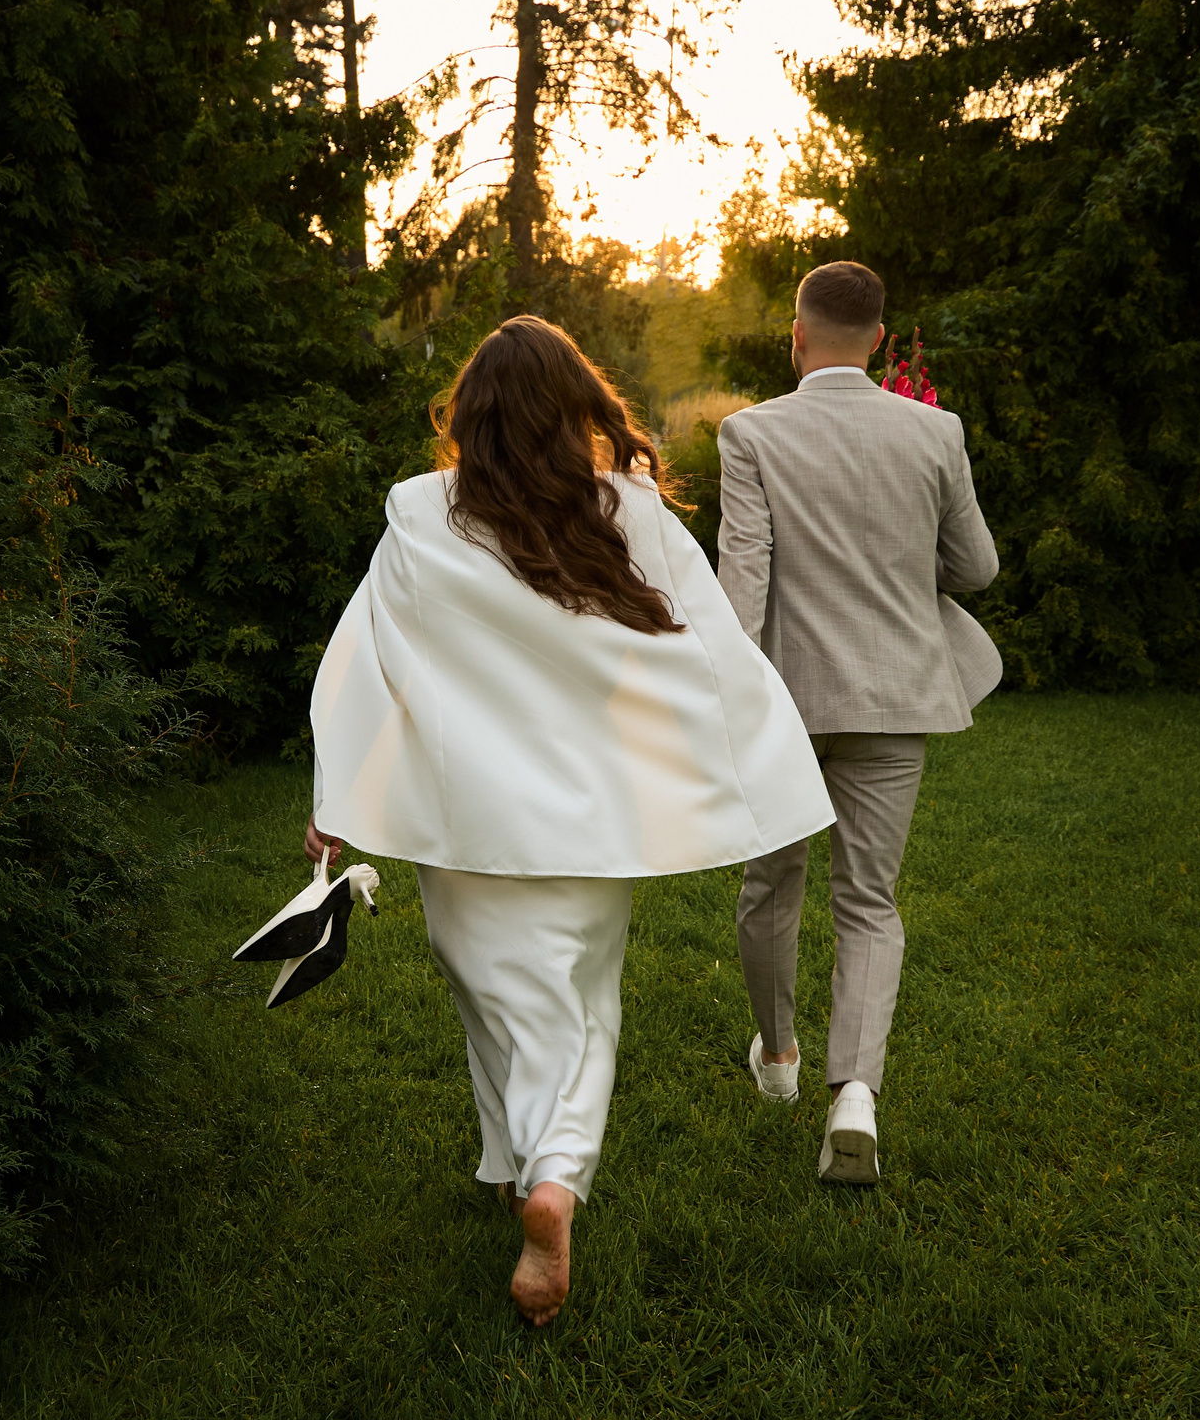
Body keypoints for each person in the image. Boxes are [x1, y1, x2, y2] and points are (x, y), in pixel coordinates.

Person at [305, 316, 833, 1326]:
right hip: (592, 807)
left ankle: (518, 1170)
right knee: (575, 1008)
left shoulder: (419, 515)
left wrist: (335, 802)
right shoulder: (626, 511)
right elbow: (709, 650)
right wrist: (754, 760)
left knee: (496, 997)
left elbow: (360, 666)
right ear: (575, 406)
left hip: (460, 813)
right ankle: (551, 1181)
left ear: (472, 414)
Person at [714, 260, 1001, 1184]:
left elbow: (742, 587)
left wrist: (726, 698)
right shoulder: (936, 430)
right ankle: (857, 1094)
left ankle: (780, 1057)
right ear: (880, 339)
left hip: (786, 704)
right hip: (895, 699)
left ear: (795, 335)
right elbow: (978, 567)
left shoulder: (749, 434)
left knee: (772, 884)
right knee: (869, 900)